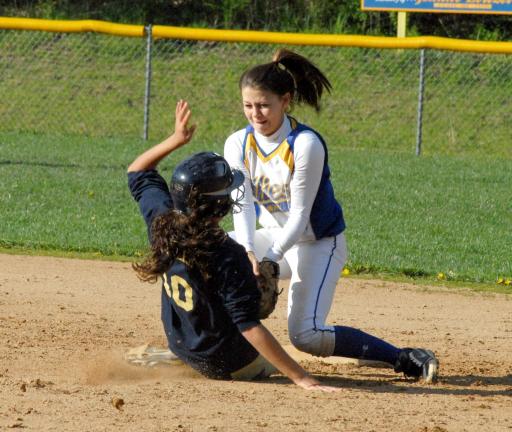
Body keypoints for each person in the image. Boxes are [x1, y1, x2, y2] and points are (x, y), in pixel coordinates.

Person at [224, 48, 439, 382]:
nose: (256, 114)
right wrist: (249, 251)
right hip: (271, 236)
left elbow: (299, 216)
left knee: (306, 336)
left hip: (317, 243)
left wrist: (268, 261)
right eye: (248, 105)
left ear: (286, 100)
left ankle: (403, 357)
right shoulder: (238, 143)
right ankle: (207, 346)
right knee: (215, 251)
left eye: (265, 105)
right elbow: (241, 206)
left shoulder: (305, 144)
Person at [127, 99, 340, 392]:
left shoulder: (160, 222)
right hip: (231, 364)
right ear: (220, 206)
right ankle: (201, 363)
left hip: (185, 347)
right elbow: (249, 327)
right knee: (266, 354)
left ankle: (183, 359)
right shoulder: (228, 254)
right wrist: (301, 377)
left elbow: (137, 172)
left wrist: (176, 140)